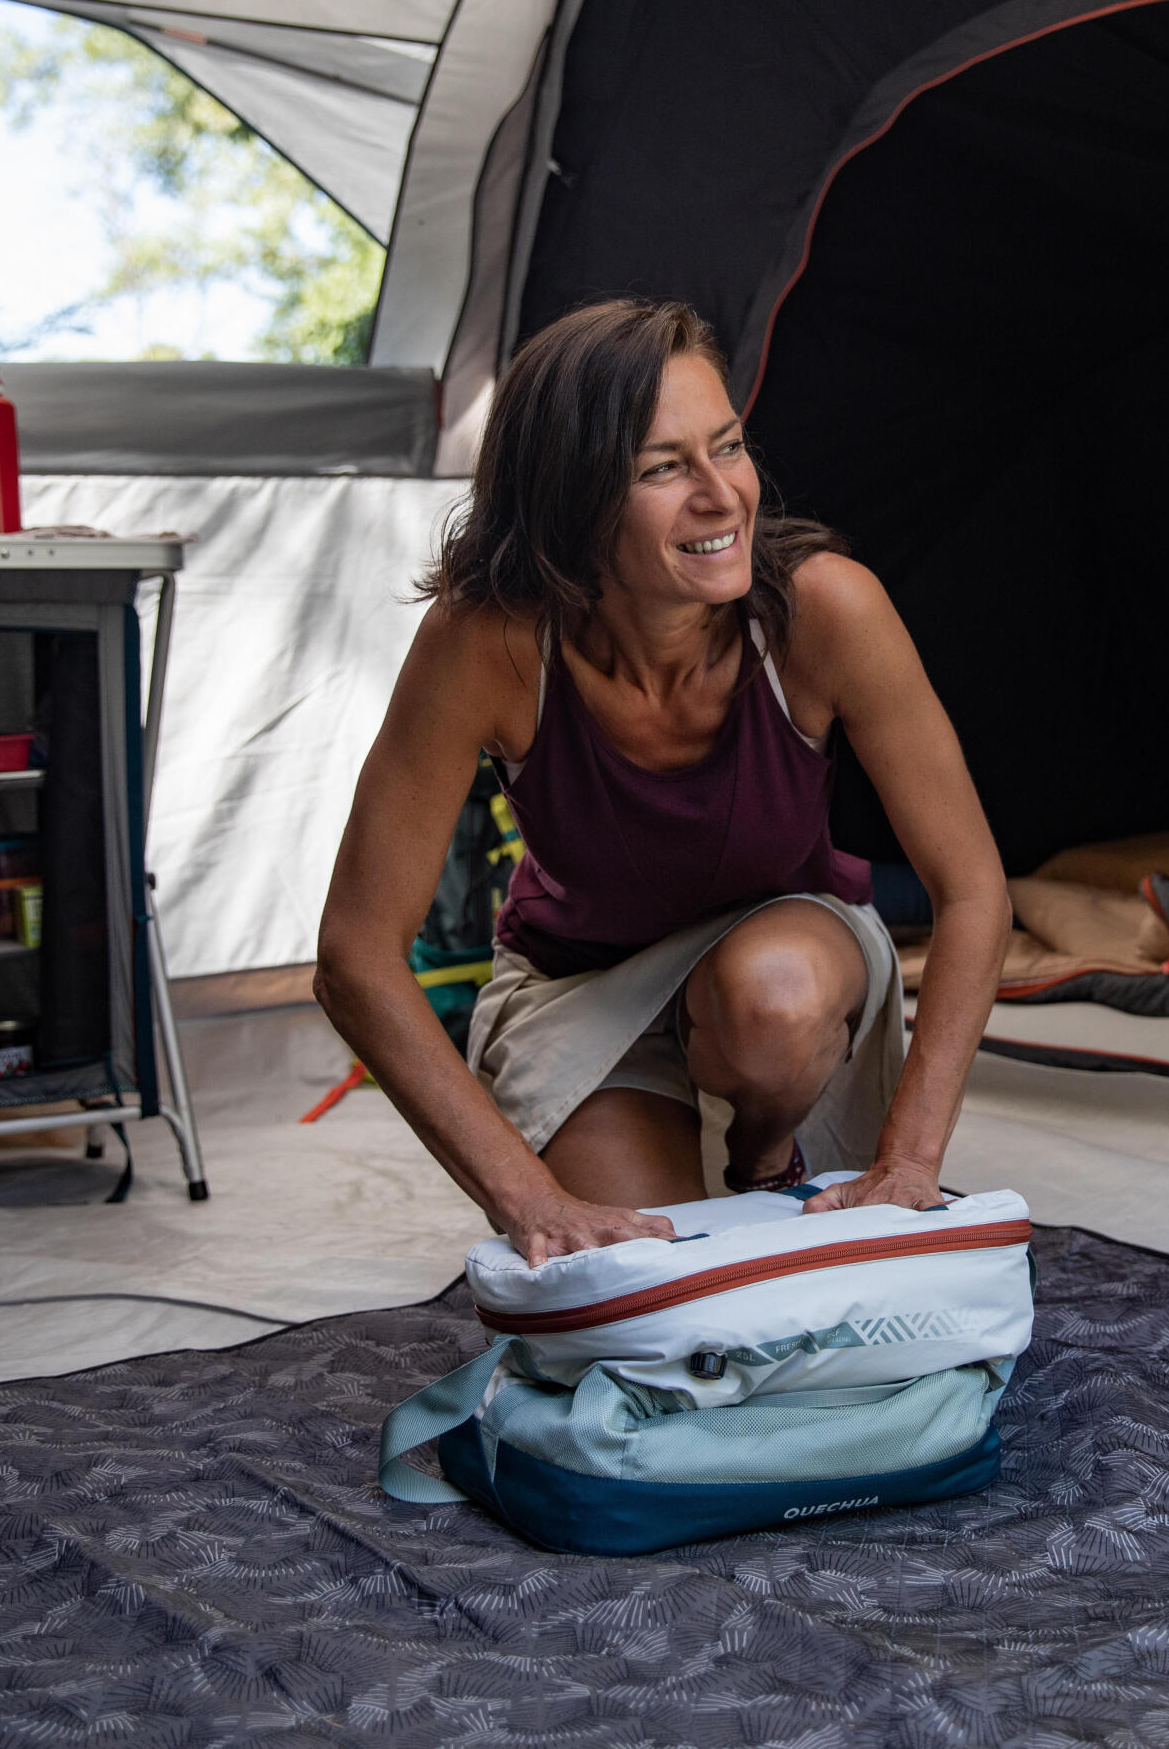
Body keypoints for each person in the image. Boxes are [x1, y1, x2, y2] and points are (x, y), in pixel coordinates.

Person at [315, 299, 1010, 1267]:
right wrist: (530, 1199)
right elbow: (356, 954)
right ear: (570, 499)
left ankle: (765, 1153)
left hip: (782, 960)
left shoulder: (826, 609)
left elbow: (974, 892)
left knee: (773, 997)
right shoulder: (488, 642)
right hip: (580, 981)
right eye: (662, 468)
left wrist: (909, 1161)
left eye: (727, 447)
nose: (723, 496)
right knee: (649, 1282)